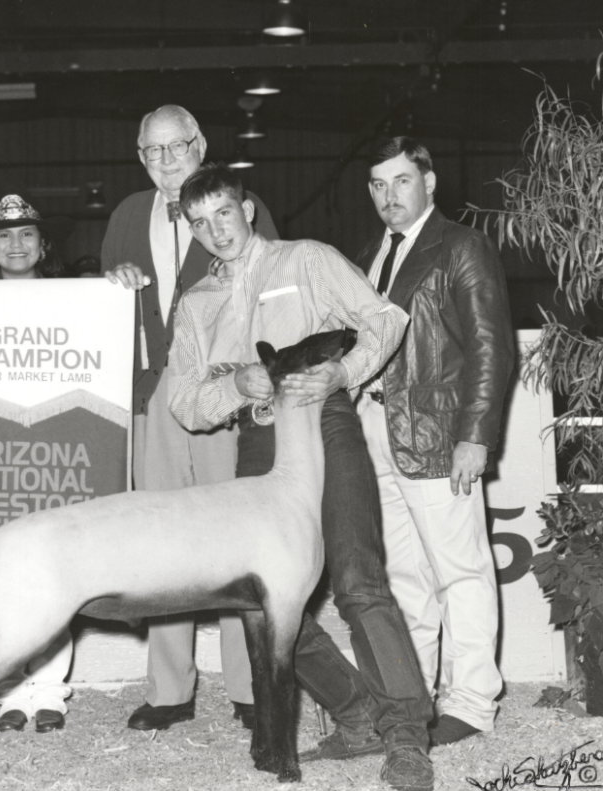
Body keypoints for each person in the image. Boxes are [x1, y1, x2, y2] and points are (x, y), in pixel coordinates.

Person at [167, 163, 435, 791]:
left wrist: (347, 373)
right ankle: (355, 715)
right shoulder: (197, 303)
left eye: (224, 215)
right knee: (259, 602)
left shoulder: (306, 260)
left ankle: (406, 739)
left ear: (247, 210)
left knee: (358, 580)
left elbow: (386, 318)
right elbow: (183, 401)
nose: (216, 232)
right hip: (258, 442)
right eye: (200, 224)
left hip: (323, 423)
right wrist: (236, 383)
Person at [101, 105, 279, 732]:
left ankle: (251, 686)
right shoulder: (127, 214)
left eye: (178, 146)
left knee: (231, 541)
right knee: (161, 544)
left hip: (224, 398)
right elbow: (105, 309)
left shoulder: (240, 204)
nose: (167, 160)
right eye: (153, 151)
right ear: (140, 157)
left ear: (201, 146)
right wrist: (112, 279)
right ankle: (170, 689)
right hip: (156, 396)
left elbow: (274, 297)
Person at [356, 137, 514, 747]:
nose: (388, 196)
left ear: (429, 182)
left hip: (437, 434)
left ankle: (472, 702)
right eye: (377, 185)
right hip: (378, 433)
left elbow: (489, 347)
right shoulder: (373, 253)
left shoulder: (461, 245)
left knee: (461, 573)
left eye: (399, 181)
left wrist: (475, 437)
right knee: (404, 579)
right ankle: (412, 696)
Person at [0, 193, 76, 734]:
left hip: (55, 447)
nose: (17, 244)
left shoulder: (76, 300)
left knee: (56, 573)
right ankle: (9, 691)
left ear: (44, 244)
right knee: (1, 578)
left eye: (27, 234)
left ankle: (51, 692)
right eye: (5, 236)